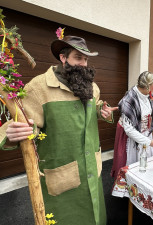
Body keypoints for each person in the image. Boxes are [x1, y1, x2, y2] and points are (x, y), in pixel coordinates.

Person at [1, 35, 117, 225]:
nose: (83, 64)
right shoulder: (39, 88)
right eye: (78, 58)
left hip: (92, 169)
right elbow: (25, 122)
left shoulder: (92, 87)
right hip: (62, 180)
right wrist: (14, 133)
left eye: (86, 59)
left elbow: (91, 107)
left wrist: (100, 110)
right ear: (63, 58)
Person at [111, 71, 153, 179]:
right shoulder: (129, 100)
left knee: (147, 165)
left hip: (147, 134)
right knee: (134, 166)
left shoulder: (149, 95)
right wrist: (150, 142)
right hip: (132, 139)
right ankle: (130, 191)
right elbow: (130, 130)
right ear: (147, 86)